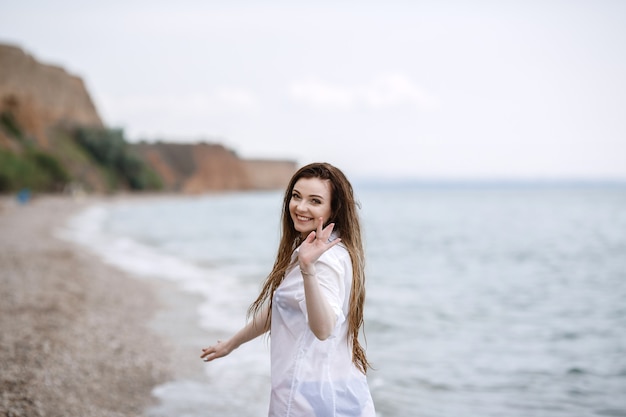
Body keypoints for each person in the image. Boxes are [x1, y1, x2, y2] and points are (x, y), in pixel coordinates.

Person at [201, 162, 375, 416]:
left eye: (315, 201)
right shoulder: (328, 250)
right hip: (335, 391)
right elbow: (283, 307)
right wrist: (231, 344)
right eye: (296, 196)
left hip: (308, 398)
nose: (300, 207)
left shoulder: (322, 260)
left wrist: (307, 268)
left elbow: (324, 328)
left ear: (333, 209)